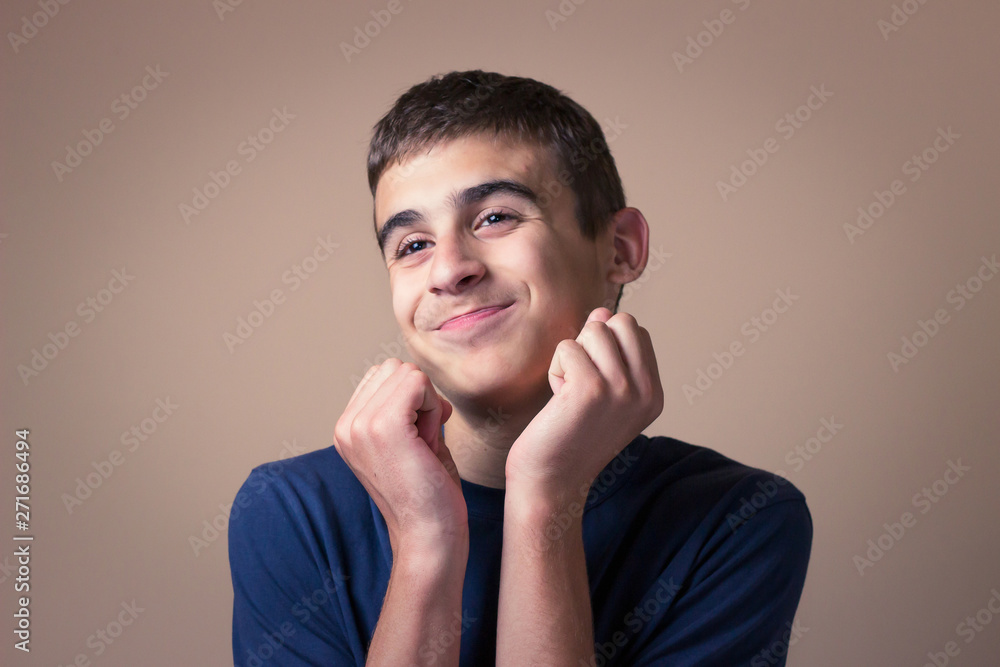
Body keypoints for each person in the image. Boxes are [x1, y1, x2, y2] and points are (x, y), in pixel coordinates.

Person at [229, 69, 812, 666]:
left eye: (495, 218)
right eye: (413, 245)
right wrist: (425, 543)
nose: (448, 270)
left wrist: (546, 500)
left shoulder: (740, 519)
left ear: (619, 249)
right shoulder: (290, 513)